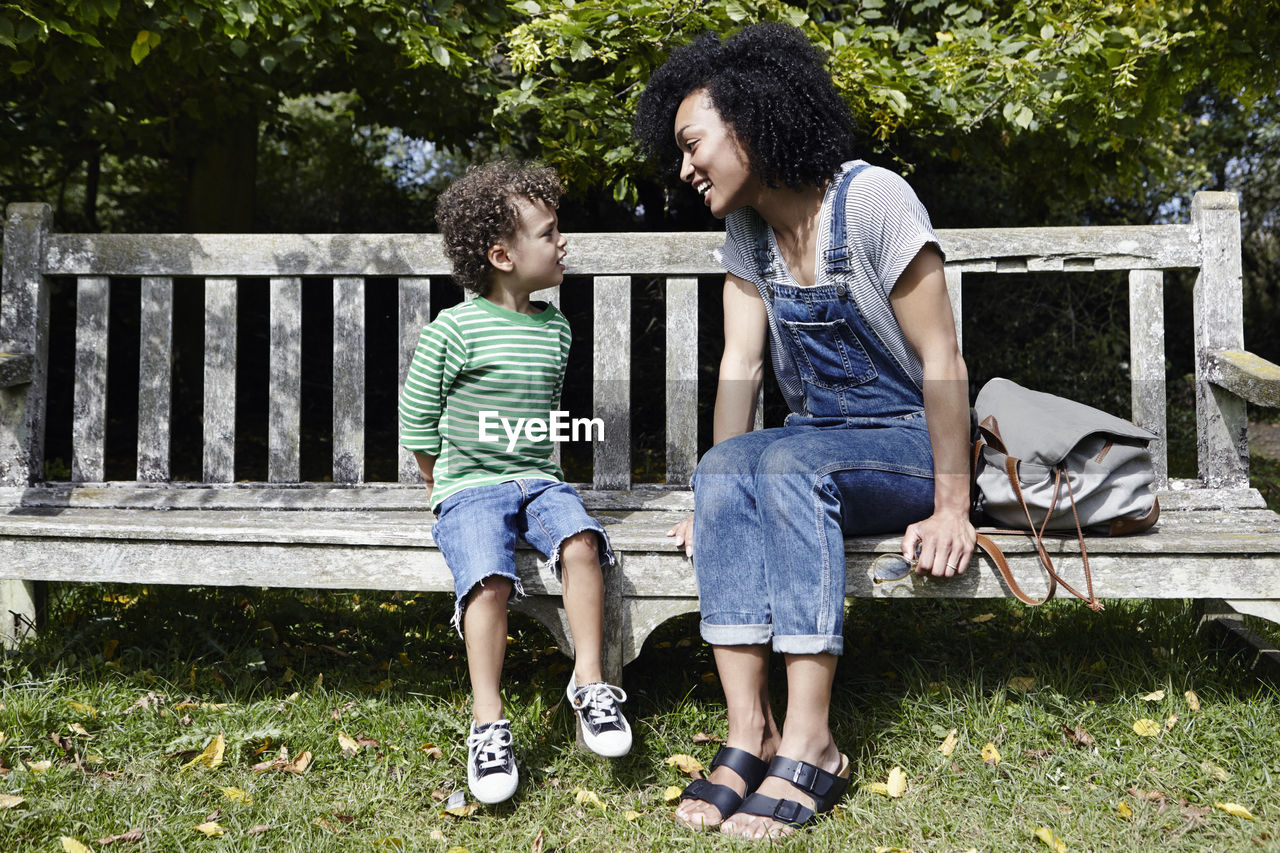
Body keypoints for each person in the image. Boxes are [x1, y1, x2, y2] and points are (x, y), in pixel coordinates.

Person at [633, 22, 975, 839]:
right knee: (729, 472)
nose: (684, 169)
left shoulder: (874, 201)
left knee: (784, 462)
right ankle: (750, 732)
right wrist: (716, 499)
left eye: (693, 144)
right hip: (815, 446)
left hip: (908, 447)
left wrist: (954, 504)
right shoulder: (748, 233)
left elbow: (942, 358)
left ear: (750, 122)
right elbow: (740, 371)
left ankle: (814, 740)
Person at [399, 161, 631, 806]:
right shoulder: (455, 329)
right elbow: (417, 417)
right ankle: (488, 721)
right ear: (502, 255)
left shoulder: (553, 326)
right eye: (550, 233)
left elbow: (544, 416)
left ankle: (589, 683)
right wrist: (437, 483)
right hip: (470, 485)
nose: (563, 244)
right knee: (490, 577)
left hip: (539, 480)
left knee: (583, 541)